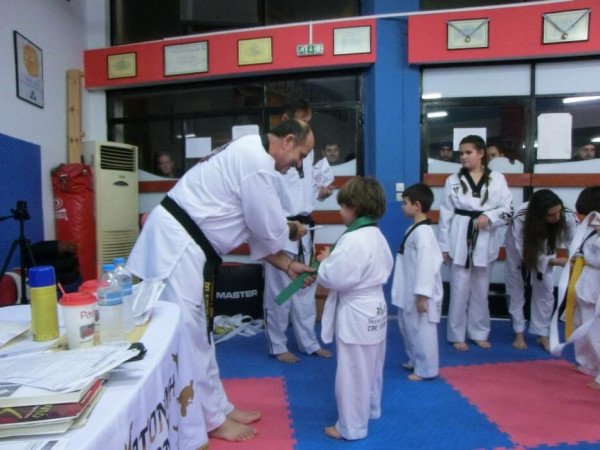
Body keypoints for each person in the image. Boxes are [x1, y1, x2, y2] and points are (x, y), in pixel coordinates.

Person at [126, 119, 316, 444]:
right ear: (287, 140)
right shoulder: (257, 165)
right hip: (177, 248)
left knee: (203, 335)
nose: (298, 164)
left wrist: (287, 264)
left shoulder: (249, 152)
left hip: (189, 247)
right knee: (190, 337)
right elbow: (271, 230)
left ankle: (219, 407)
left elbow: (256, 230)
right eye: (301, 155)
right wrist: (293, 229)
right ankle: (211, 419)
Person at [316, 177, 393, 441]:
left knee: (352, 372)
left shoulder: (353, 240)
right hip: (375, 306)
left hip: (357, 311)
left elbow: (335, 278)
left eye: (342, 206)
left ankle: (350, 427)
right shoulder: (377, 235)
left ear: (354, 207)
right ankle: (370, 409)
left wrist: (325, 262)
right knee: (372, 366)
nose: (340, 211)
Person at [263, 99, 333, 364]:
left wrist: (322, 193)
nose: (308, 125)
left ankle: (309, 342)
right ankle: (277, 344)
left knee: (305, 287)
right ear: (287, 120)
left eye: (309, 121)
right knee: (280, 292)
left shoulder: (308, 152)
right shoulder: (272, 156)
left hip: (306, 228)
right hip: (282, 228)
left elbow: (309, 189)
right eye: (304, 120)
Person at [438, 135, 513, 351]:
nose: (463, 157)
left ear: (481, 153)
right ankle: (456, 334)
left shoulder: (497, 179)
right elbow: (445, 215)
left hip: (485, 236)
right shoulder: (453, 180)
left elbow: (508, 209)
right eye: (461, 153)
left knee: (481, 290)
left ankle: (479, 332)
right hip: (459, 237)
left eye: (468, 152)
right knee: (459, 289)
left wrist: (490, 215)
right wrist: (444, 247)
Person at [504, 189, 578, 351]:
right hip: (518, 250)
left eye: (558, 212)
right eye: (551, 215)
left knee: (546, 290)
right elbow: (524, 252)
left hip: (546, 246)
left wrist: (576, 262)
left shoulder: (566, 215)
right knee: (515, 288)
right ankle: (518, 332)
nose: (556, 217)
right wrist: (556, 261)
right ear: (538, 215)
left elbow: (575, 241)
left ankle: (542, 334)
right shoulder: (521, 217)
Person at [391, 183, 443, 381]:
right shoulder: (413, 229)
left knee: (423, 331)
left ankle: (426, 369)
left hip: (421, 292)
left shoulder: (424, 233)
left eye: (405, 203)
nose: (402, 206)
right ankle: (414, 360)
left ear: (417, 205)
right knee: (408, 328)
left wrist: (423, 295)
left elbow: (426, 265)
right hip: (409, 288)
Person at [551, 186, 600, 390]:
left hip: (595, 285)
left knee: (595, 331)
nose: (579, 217)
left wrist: (584, 258)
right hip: (584, 281)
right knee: (581, 325)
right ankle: (587, 363)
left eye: (582, 213)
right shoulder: (587, 231)